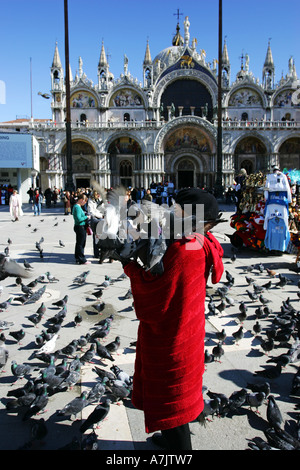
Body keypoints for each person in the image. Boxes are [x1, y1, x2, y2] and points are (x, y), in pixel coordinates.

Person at [123, 188, 224, 450]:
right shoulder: (202, 240)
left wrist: (129, 267)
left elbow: (155, 298)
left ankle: (180, 450)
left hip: (172, 336)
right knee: (180, 393)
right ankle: (169, 438)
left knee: (172, 397)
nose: (170, 214)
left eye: (177, 211)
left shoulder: (183, 250)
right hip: (189, 328)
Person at [72, 193, 91, 265]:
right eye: (85, 201)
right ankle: (82, 259)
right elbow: (78, 218)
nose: (85, 202)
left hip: (79, 226)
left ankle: (78, 257)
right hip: (80, 226)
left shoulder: (77, 206)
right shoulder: (77, 207)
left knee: (78, 243)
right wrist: (87, 217)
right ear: (81, 200)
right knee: (81, 244)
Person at [87, 190, 104, 259]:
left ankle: (102, 251)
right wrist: (100, 215)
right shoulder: (91, 201)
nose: (99, 195)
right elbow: (91, 212)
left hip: (102, 219)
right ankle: (96, 253)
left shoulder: (100, 199)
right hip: (95, 220)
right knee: (96, 237)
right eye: (97, 194)